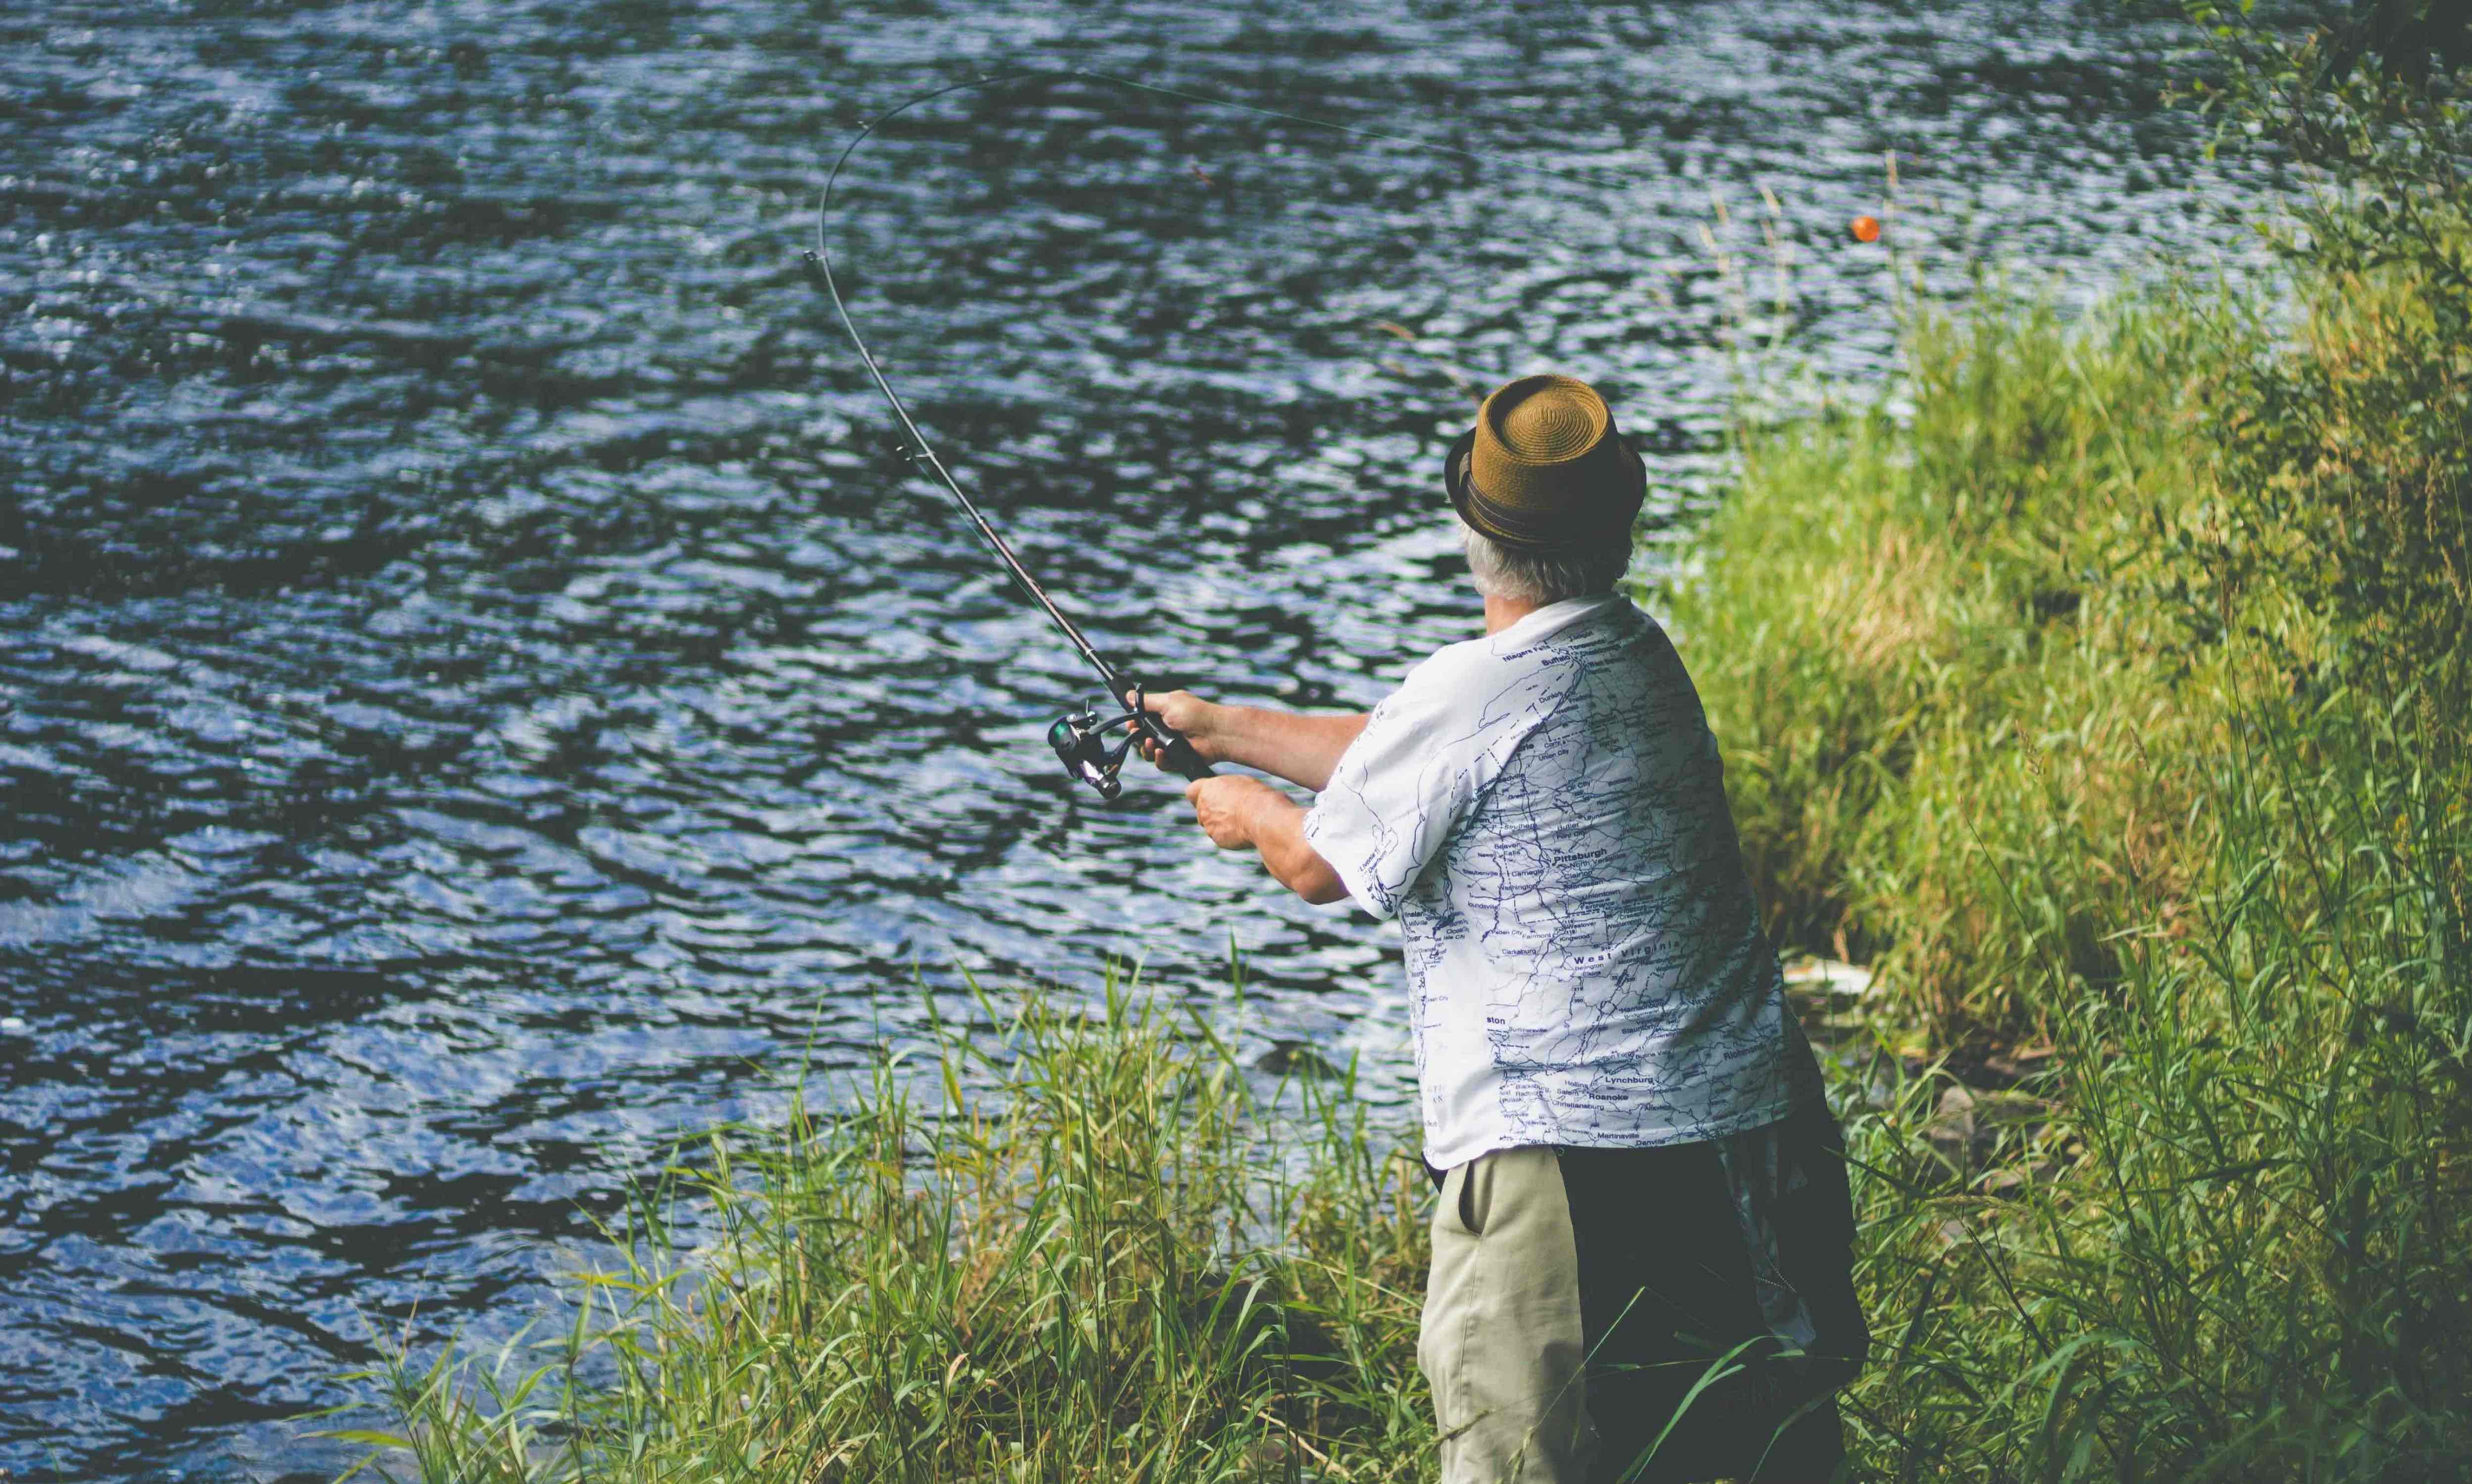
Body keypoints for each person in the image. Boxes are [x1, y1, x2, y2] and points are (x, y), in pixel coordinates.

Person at [1134, 374, 1869, 1484]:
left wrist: (1240, 809)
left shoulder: (1471, 689)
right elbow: (1418, 756)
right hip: (1742, 1137)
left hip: (1562, 1168)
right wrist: (1223, 726)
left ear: (1470, 532)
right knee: (1738, 1454)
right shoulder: (1639, 656)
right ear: (1618, 524)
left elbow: (1314, 865)